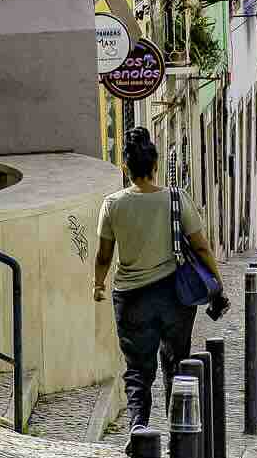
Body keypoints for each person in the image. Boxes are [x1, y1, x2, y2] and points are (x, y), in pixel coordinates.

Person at [92, 128, 227, 430]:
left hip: (131, 297)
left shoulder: (112, 204)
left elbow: (103, 255)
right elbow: (201, 247)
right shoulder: (176, 199)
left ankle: (138, 425)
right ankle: (179, 434)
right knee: (176, 363)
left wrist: (98, 284)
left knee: (137, 370)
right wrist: (217, 284)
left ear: (125, 167)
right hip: (173, 295)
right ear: (156, 165)